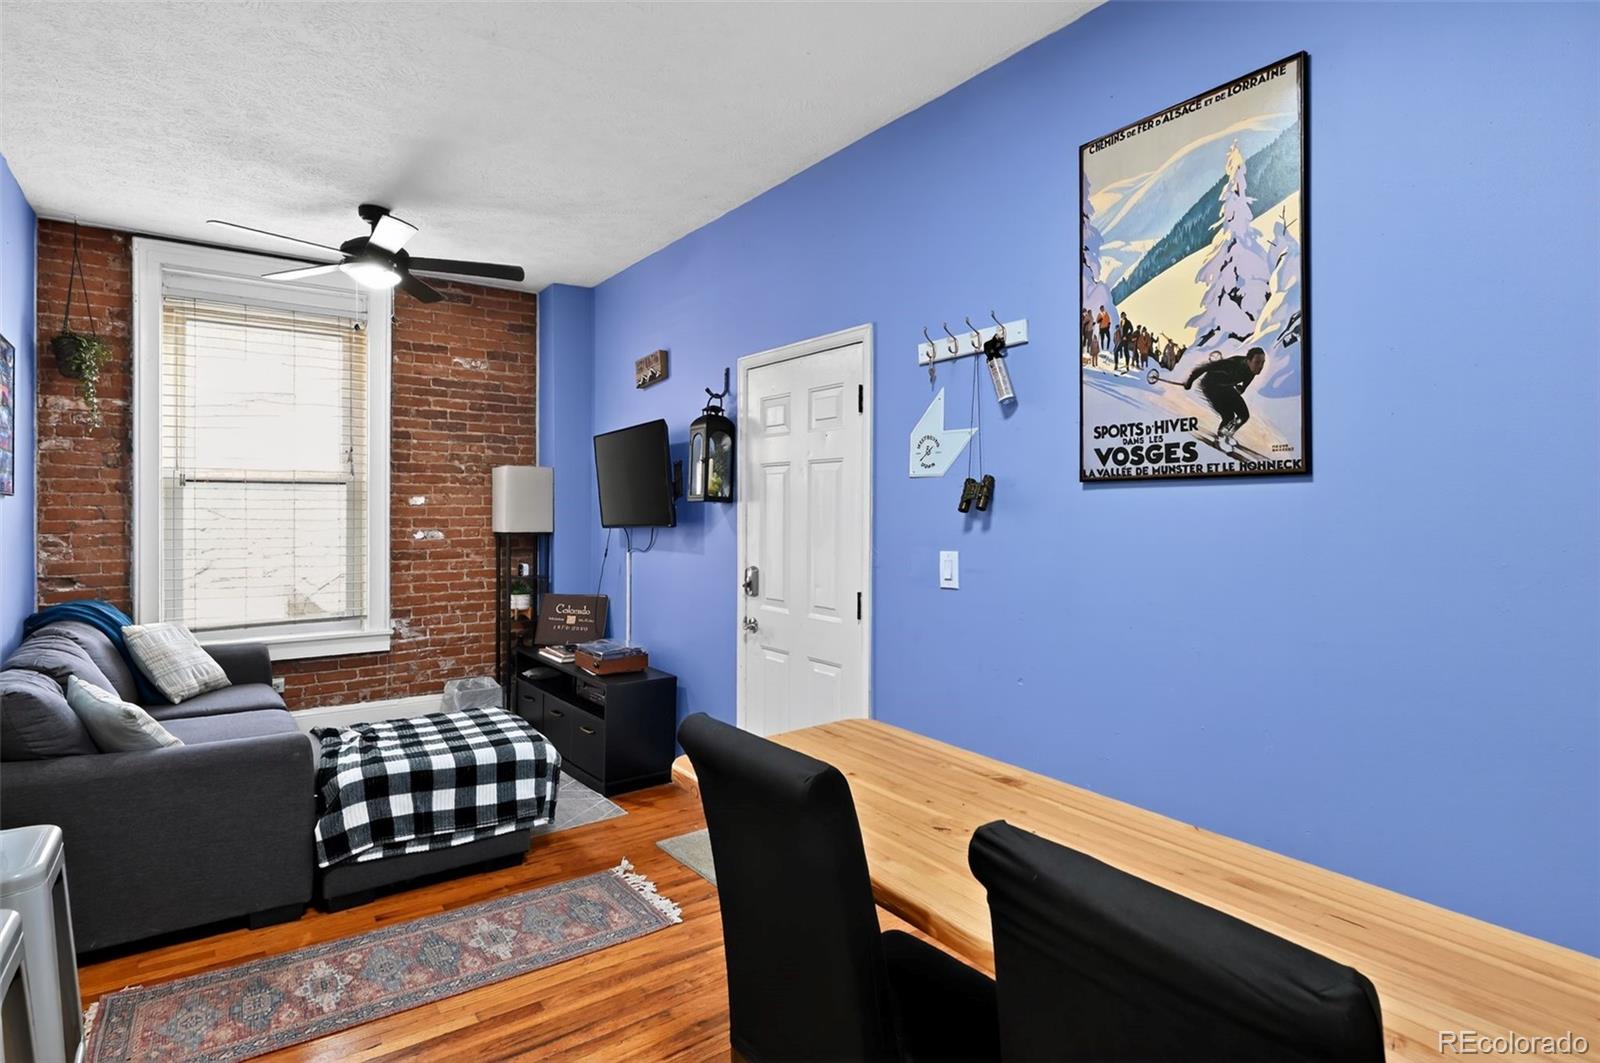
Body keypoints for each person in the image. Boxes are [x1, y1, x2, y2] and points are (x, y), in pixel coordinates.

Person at [1184, 346, 1266, 447]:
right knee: (1228, 416)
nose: (1261, 366)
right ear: (1248, 360)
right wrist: (1189, 382)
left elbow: (1246, 383)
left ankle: (1228, 434)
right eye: (1257, 362)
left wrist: (1242, 389)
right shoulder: (1232, 364)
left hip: (1226, 388)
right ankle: (1220, 437)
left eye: (1263, 362)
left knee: (1243, 415)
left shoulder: (1252, 371)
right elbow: (1202, 368)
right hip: (1211, 387)